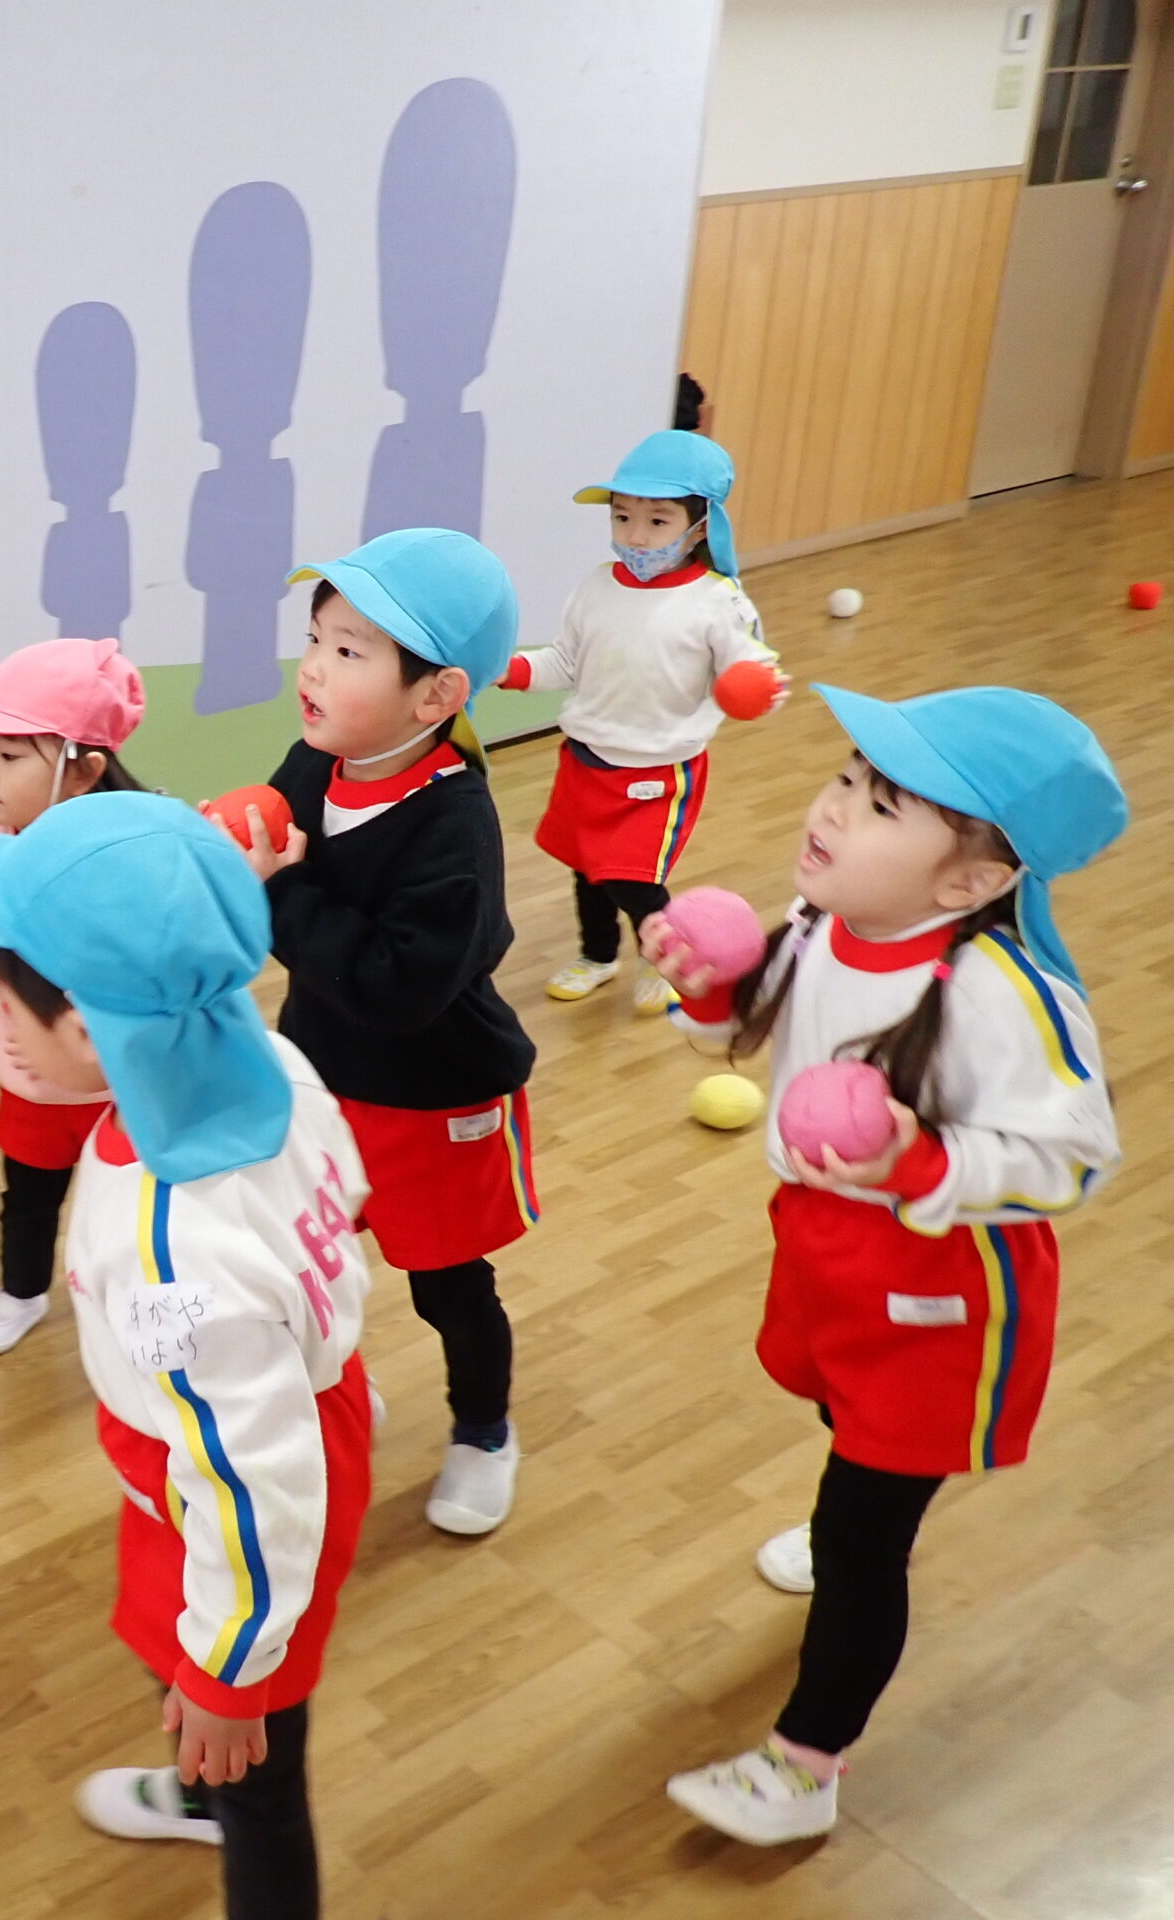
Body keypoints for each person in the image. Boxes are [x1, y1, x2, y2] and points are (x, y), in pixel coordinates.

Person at [648, 685, 1123, 1846]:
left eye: (879, 806)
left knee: (866, 1537)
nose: (833, 808)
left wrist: (918, 1157)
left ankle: (805, 1766)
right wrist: (702, 983)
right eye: (847, 779)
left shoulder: (1003, 993)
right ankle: (846, 1518)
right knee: (833, 1410)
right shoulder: (821, 921)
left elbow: (1073, 1159)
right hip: (826, 1242)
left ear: (969, 882)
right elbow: (742, 1027)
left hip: (945, 1289)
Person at [0, 793, 372, 1920]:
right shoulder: (263, 1054)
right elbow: (349, 1191)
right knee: (164, 1636)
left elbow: (250, 1485)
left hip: (241, 1487)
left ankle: (223, 1792)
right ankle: (206, 1760)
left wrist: (229, 1677)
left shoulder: (174, 1257)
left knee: (259, 1772)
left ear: (88, 1029)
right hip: (226, 1439)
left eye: (4, 999)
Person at [229, 528, 537, 1537]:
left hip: (436, 1099)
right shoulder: (318, 761)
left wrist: (280, 890)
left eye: (349, 651)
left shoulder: (455, 829)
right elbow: (268, 849)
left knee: (450, 1288)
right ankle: (334, 1392)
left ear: (436, 696)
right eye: (316, 638)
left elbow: (394, 985)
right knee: (302, 1262)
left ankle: (484, 1431)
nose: (314, 667)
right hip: (322, 1081)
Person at [0, 636, 147, 1356]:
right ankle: (21, 1291)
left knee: (132, 1205)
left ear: (85, 770)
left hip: (126, 1082)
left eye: (10, 756)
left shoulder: (131, 846)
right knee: (30, 1196)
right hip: (33, 1080)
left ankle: (141, 1302)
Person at [497, 429, 786, 1010]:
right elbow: (564, 661)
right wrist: (509, 669)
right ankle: (598, 956)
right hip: (585, 761)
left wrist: (754, 685)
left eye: (657, 521)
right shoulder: (595, 586)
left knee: (632, 879)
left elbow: (754, 667)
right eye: (622, 517)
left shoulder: (718, 601)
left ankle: (665, 958)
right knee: (587, 869)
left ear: (700, 527)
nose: (635, 535)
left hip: (657, 770)